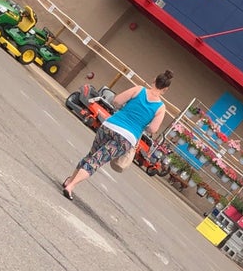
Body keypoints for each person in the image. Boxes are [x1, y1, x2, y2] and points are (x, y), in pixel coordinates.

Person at [62, 70, 173, 199]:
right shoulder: (160, 108)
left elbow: (117, 100)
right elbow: (153, 129)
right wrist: (142, 123)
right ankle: (71, 186)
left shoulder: (138, 89)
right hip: (127, 137)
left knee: (91, 155)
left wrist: (127, 110)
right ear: (165, 89)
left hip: (110, 125)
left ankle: (70, 180)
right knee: (97, 160)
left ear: (154, 80)